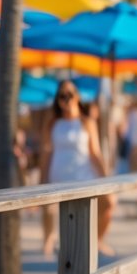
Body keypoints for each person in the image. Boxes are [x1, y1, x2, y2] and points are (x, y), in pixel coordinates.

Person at [38, 80, 116, 256]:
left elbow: (95, 153)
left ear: (77, 97)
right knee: (50, 211)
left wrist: (106, 178)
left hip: (84, 176)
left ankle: (97, 240)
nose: (66, 99)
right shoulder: (52, 123)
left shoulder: (87, 122)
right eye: (62, 95)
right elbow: (46, 152)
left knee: (108, 204)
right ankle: (49, 239)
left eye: (70, 94)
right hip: (59, 175)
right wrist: (42, 177)